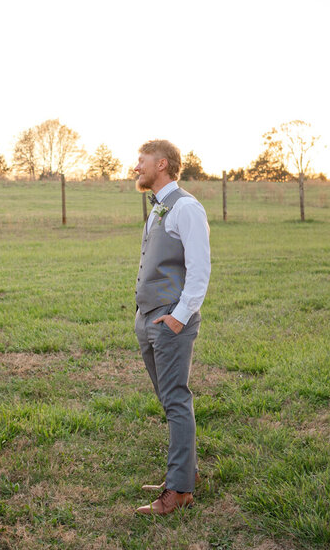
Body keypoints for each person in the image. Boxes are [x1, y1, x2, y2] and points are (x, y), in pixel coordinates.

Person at [131, 139, 211, 516]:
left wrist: (178, 317)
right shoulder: (159, 207)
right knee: (168, 400)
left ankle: (179, 491)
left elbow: (199, 271)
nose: (136, 168)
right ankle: (185, 473)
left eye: (142, 161)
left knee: (176, 399)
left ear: (162, 164)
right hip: (148, 317)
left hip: (170, 321)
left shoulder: (187, 208)